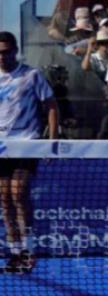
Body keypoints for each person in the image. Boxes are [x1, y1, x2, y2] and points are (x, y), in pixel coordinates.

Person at [0, 31, 58, 274]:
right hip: (1, 147)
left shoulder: (32, 75)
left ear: (15, 51)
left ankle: (28, 251)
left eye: (6, 52)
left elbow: (51, 106)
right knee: (5, 199)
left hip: (27, 142)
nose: (2, 57)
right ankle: (14, 254)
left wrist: (52, 141)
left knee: (19, 193)